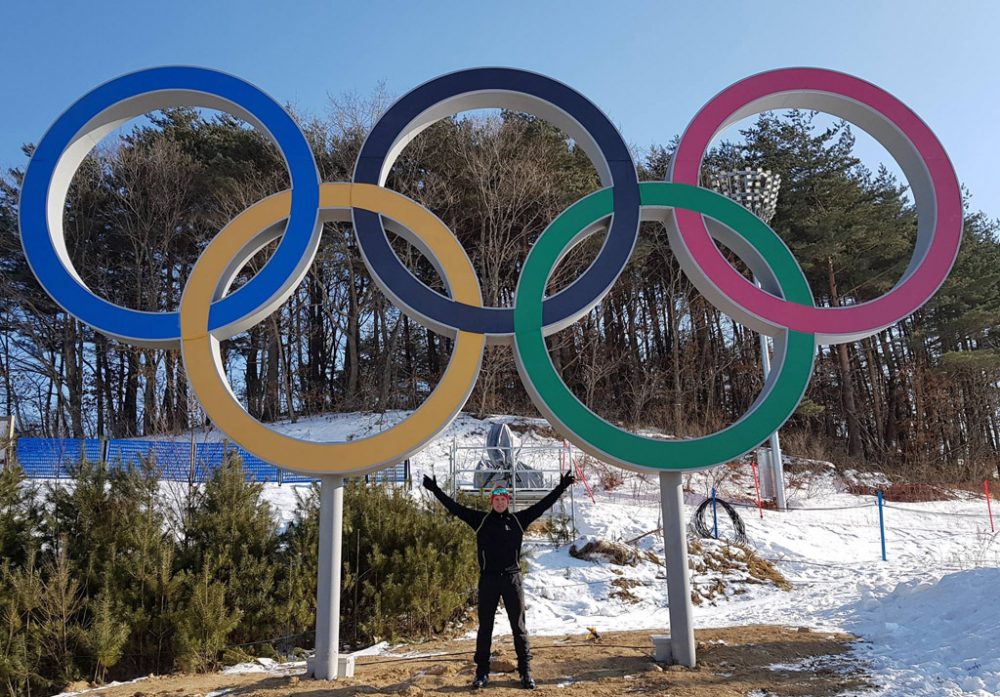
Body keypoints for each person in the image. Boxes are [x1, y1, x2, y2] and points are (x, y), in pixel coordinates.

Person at [423, 470, 575, 690]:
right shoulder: (480, 520)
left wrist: (562, 487)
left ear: (508, 501)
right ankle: (482, 673)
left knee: (519, 627)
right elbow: (454, 508)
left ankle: (525, 672)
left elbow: (543, 505)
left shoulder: (518, 520)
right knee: (485, 628)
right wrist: (436, 490)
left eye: (504, 499)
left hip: (512, 579)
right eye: (497, 499)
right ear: (492, 501)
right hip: (488, 581)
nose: (501, 502)